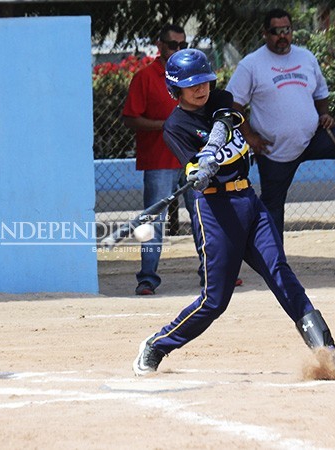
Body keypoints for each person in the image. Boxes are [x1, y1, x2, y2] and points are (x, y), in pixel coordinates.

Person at [133, 49, 335, 380]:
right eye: (192, 85)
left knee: (281, 275)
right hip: (213, 210)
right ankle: (157, 344)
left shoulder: (221, 99)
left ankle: (329, 352)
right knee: (215, 300)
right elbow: (192, 165)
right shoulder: (175, 127)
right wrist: (199, 170)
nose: (201, 89)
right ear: (175, 90)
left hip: (248, 202)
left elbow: (224, 124)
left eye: (205, 81)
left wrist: (211, 151)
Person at [225, 8, 335, 239]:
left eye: (287, 30)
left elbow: (321, 93)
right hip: (274, 149)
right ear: (265, 33)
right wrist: (249, 137)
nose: (282, 36)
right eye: (276, 31)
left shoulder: (306, 57)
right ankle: (275, 263)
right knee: (273, 207)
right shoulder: (251, 64)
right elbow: (233, 105)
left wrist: (324, 113)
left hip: (313, 138)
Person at [121, 24, 186, 296]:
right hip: (160, 160)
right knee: (153, 222)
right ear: (160, 47)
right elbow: (129, 118)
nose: (178, 51)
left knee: (206, 217)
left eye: (183, 46)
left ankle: (214, 274)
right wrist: (164, 125)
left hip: (192, 159)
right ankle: (147, 278)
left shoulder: (192, 74)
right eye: (173, 46)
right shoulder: (145, 77)